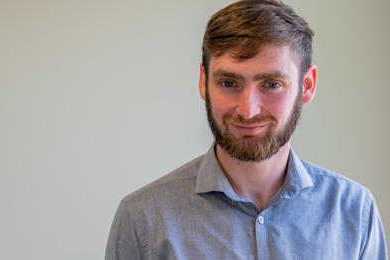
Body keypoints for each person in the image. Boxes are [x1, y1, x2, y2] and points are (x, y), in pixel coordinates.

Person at [105, 0, 388, 259]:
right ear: (204, 82)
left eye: (271, 84)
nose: (247, 110)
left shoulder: (354, 212)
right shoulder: (142, 219)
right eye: (229, 83)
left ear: (307, 85)